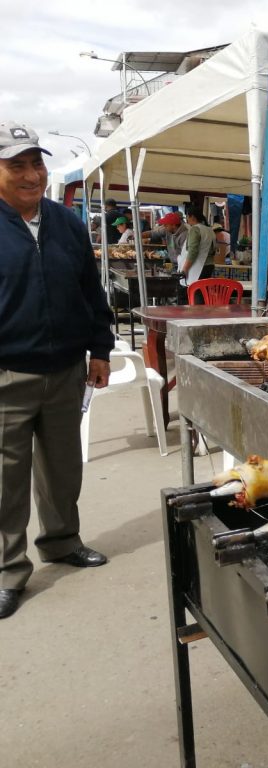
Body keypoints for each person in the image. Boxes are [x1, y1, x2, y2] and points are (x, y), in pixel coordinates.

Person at [0, 121, 113, 620]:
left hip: (66, 369)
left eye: (36, 164)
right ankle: (8, 572)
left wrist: (101, 349)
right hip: (8, 374)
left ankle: (63, 541)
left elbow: (91, 291)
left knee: (63, 470)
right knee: (5, 481)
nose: (31, 175)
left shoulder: (66, 222)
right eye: (16, 165)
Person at [179, 206, 216, 301]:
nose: (186, 219)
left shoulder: (195, 229)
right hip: (209, 265)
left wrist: (185, 269)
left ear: (192, 217)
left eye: (187, 217)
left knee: (196, 294)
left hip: (198, 267)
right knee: (203, 294)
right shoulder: (210, 230)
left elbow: (193, 251)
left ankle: (196, 314)